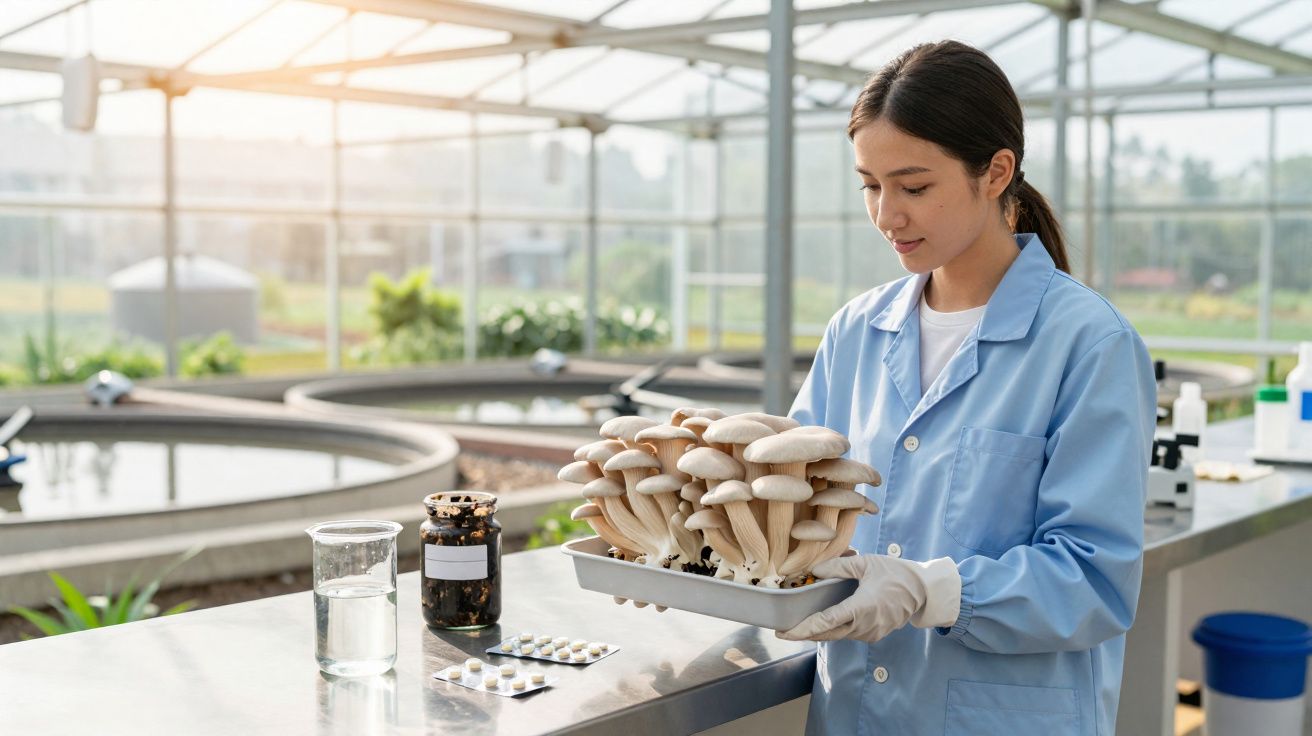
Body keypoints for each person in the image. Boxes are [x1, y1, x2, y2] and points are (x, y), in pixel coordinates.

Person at [776, 41, 1156, 736]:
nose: (887, 215)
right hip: (855, 713)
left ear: (996, 172)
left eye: (914, 187)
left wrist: (928, 591)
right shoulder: (856, 332)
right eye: (870, 185)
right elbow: (794, 505)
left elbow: (1095, 580)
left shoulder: (1088, 343)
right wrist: (696, 561)